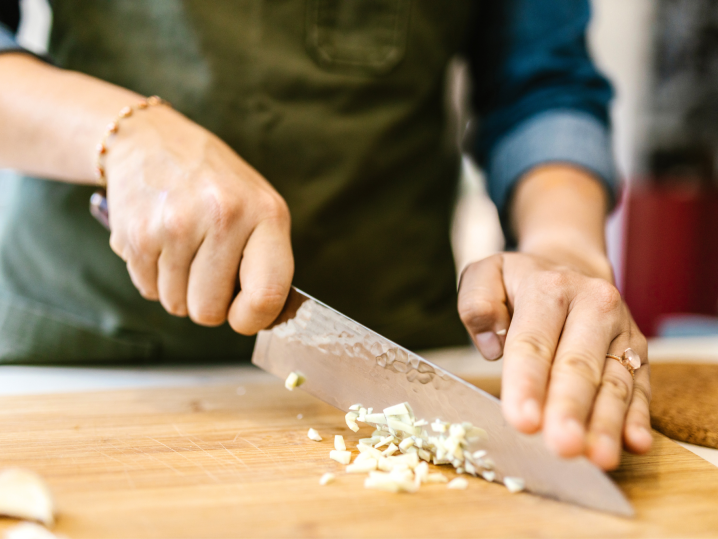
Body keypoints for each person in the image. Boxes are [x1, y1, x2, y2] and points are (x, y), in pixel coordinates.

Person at [0, 0, 651, 470]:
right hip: (80, 347)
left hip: (401, 341)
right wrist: (123, 132)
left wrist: (563, 246)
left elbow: (543, 83)